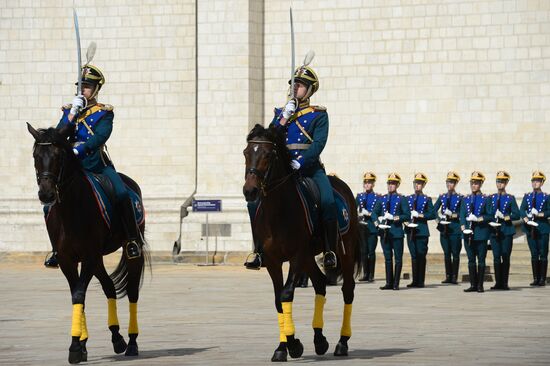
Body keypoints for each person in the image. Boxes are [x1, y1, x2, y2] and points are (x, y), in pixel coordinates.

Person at [44, 64, 142, 268]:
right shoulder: (69, 111)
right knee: (49, 203)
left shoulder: (104, 113)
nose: (83, 90)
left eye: (87, 87)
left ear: (97, 89)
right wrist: (72, 114)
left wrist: (81, 149)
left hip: (96, 164)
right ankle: (56, 249)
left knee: (122, 193)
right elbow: (59, 134)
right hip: (71, 169)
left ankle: (132, 240)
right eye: (80, 86)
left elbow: (101, 136)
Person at [244, 63, 338, 270]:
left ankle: (330, 250)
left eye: (301, 85)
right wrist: (285, 116)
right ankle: (258, 250)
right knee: (254, 203)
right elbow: (268, 138)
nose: (296, 88)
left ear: (310, 89)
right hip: (284, 171)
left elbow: (318, 144)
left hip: (309, 168)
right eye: (294, 84)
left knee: (328, 201)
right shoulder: (281, 113)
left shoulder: (319, 115)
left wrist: (301, 161)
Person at [373, 173, 411, 290]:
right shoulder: (382, 198)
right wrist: (377, 223)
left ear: (397, 185)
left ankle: (396, 283)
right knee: (388, 258)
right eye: (389, 183)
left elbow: (407, 215)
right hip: (385, 233)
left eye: (393, 184)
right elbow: (374, 212)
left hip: (396, 232)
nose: (390, 186)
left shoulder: (401, 199)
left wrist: (394, 218)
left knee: (398, 259)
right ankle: (389, 282)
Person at [460, 171, 494, 293]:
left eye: (476, 183)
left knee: (481, 259)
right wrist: (463, 227)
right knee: (470, 260)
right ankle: (473, 284)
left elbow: (491, 216)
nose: (474, 185)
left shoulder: (486, 199)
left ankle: (480, 285)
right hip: (468, 234)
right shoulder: (465, 199)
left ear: (481, 184)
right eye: (472, 183)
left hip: (481, 233)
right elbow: (462, 214)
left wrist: (479, 219)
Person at [489, 171, 520, 290]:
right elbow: (487, 213)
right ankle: (498, 283)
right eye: (498, 181)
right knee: (496, 256)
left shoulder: (510, 198)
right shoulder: (491, 198)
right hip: (494, 231)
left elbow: (517, 215)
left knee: (505, 256)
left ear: (506, 183)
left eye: (502, 181)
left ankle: (505, 283)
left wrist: (505, 216)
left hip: (506, 230)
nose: (499, 184)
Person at [404, 173, 436, 288]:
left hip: (421, 231)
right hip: (410, 231)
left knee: (421, 255)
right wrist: (405, 222)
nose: (417, 185)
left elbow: (433, 214)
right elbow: (403, 214)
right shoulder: (407, 199)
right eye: (416, 183)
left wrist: (420, 215)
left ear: (423, 185)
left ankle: (421, 281)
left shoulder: (426, 199)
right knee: (414, 256)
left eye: (420, 183)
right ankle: (415, 280)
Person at [520, 170, 550, 286]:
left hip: (542, 228)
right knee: (534, 253)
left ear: (542, 183)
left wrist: (540, 214)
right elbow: (522, 209)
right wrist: (526, 218)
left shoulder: (546, 197)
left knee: (543, 253)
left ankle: (542, 278)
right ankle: (536, 278)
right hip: (529, 228)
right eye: (534, 181)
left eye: (538, 181)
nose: (535, 183)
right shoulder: (527, 196)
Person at [433, 171, 463, 284]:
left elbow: (462, 213)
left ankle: (454, 276)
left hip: (454, 228)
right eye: (448, 182)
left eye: (451, 182)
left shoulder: (460, 198)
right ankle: (448, 276)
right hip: (444, 229)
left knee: (455, 253)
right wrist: (438, 221)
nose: (449, 184)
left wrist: (453, 215)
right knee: (446, 253)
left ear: (455, 184)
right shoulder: (442, 197)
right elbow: (433, 210)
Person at [356, 172, 380, 282]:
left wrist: (369, 213)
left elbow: (379, 212)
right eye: (365, 182)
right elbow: (354, 208)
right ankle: (365, 273)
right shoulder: (359, 196)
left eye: (369, 182)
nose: (367, 184)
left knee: (371, 251)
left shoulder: (377, 197)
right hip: (362, 227)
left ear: (373, 184)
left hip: (372, 228)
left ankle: (371, 275)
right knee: (363, 251)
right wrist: (359, 214)